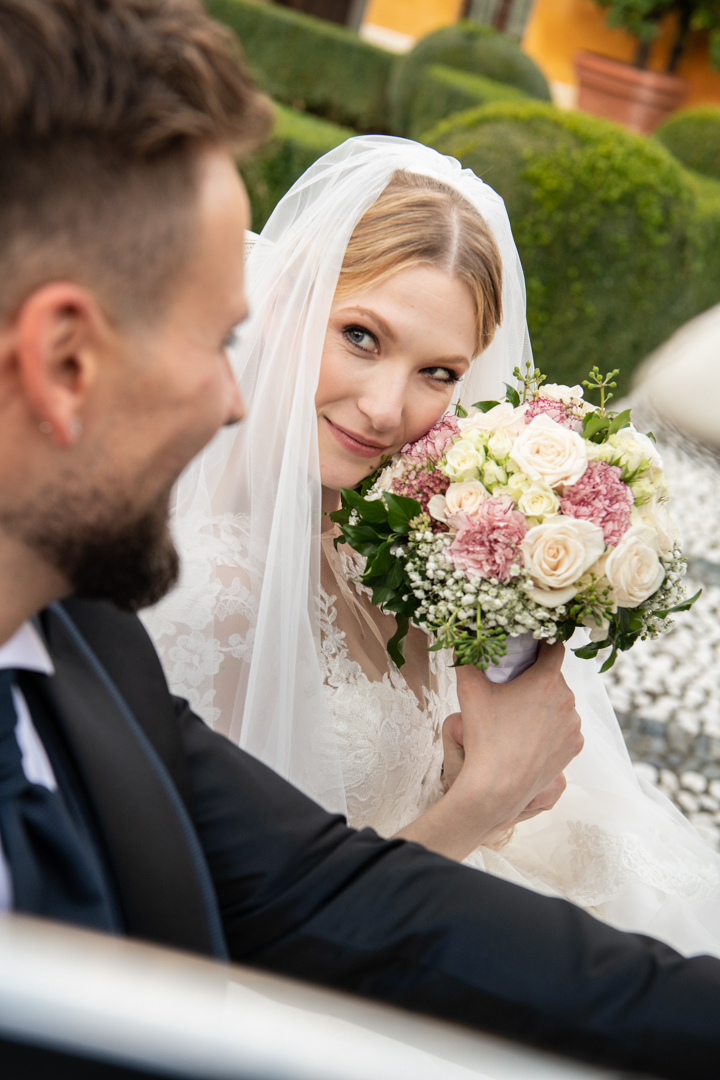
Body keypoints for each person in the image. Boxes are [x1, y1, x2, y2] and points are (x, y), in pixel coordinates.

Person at [1, 3, 720, 1078]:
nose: (234, 396)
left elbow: (323, 890)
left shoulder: (85, 648)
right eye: (214, 338)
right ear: (63, 356)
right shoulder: (166, 604)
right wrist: (478, 801)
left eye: (439, 371)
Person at [149, 135, 720, 957]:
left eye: (440, 373)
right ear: (283, 304)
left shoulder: (393, 548)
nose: (388, 409)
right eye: (362, 337)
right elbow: (241, 936)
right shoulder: (202, 585)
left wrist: (476, 771)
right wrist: (482, 798)